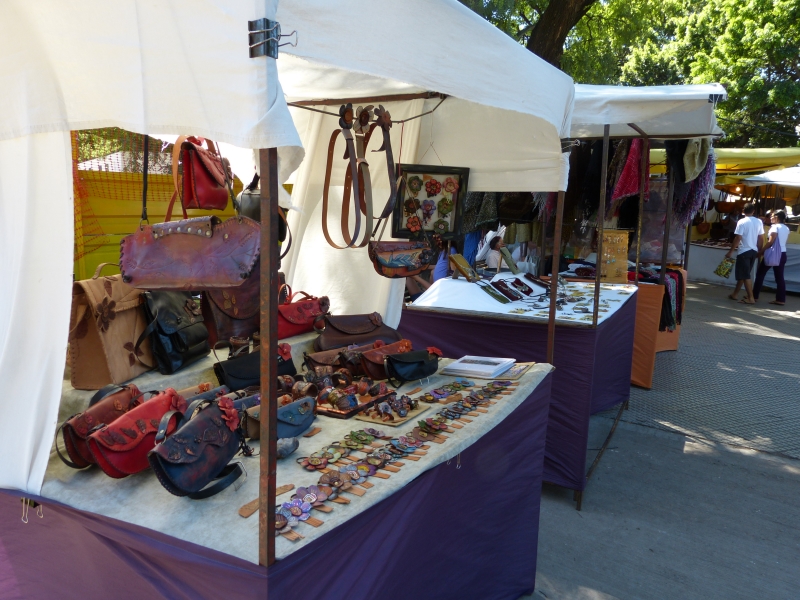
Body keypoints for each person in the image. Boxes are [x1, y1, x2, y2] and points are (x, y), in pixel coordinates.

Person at [725, 203, 764, 305]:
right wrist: (760, 250)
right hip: (753, 250)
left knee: (745, 275)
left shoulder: (741, 221)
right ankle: (735, 294)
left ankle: (751, 298)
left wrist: (731, 251)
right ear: (753, 211)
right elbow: (761, 238)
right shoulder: (759, 221)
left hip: (744, 251)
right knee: (744, 274)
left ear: (743, 211)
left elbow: (738, 238)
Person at [753, 209, 790, 305]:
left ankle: (754, 296)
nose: (770, 218)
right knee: (779, 277)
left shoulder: (774, 227)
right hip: (782, 253)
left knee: (760, 273)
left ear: (776, 217)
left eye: (772, 216)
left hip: (773, 254)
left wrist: (761, 251)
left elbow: (770, 242)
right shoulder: (786, 228)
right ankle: (781, 299)